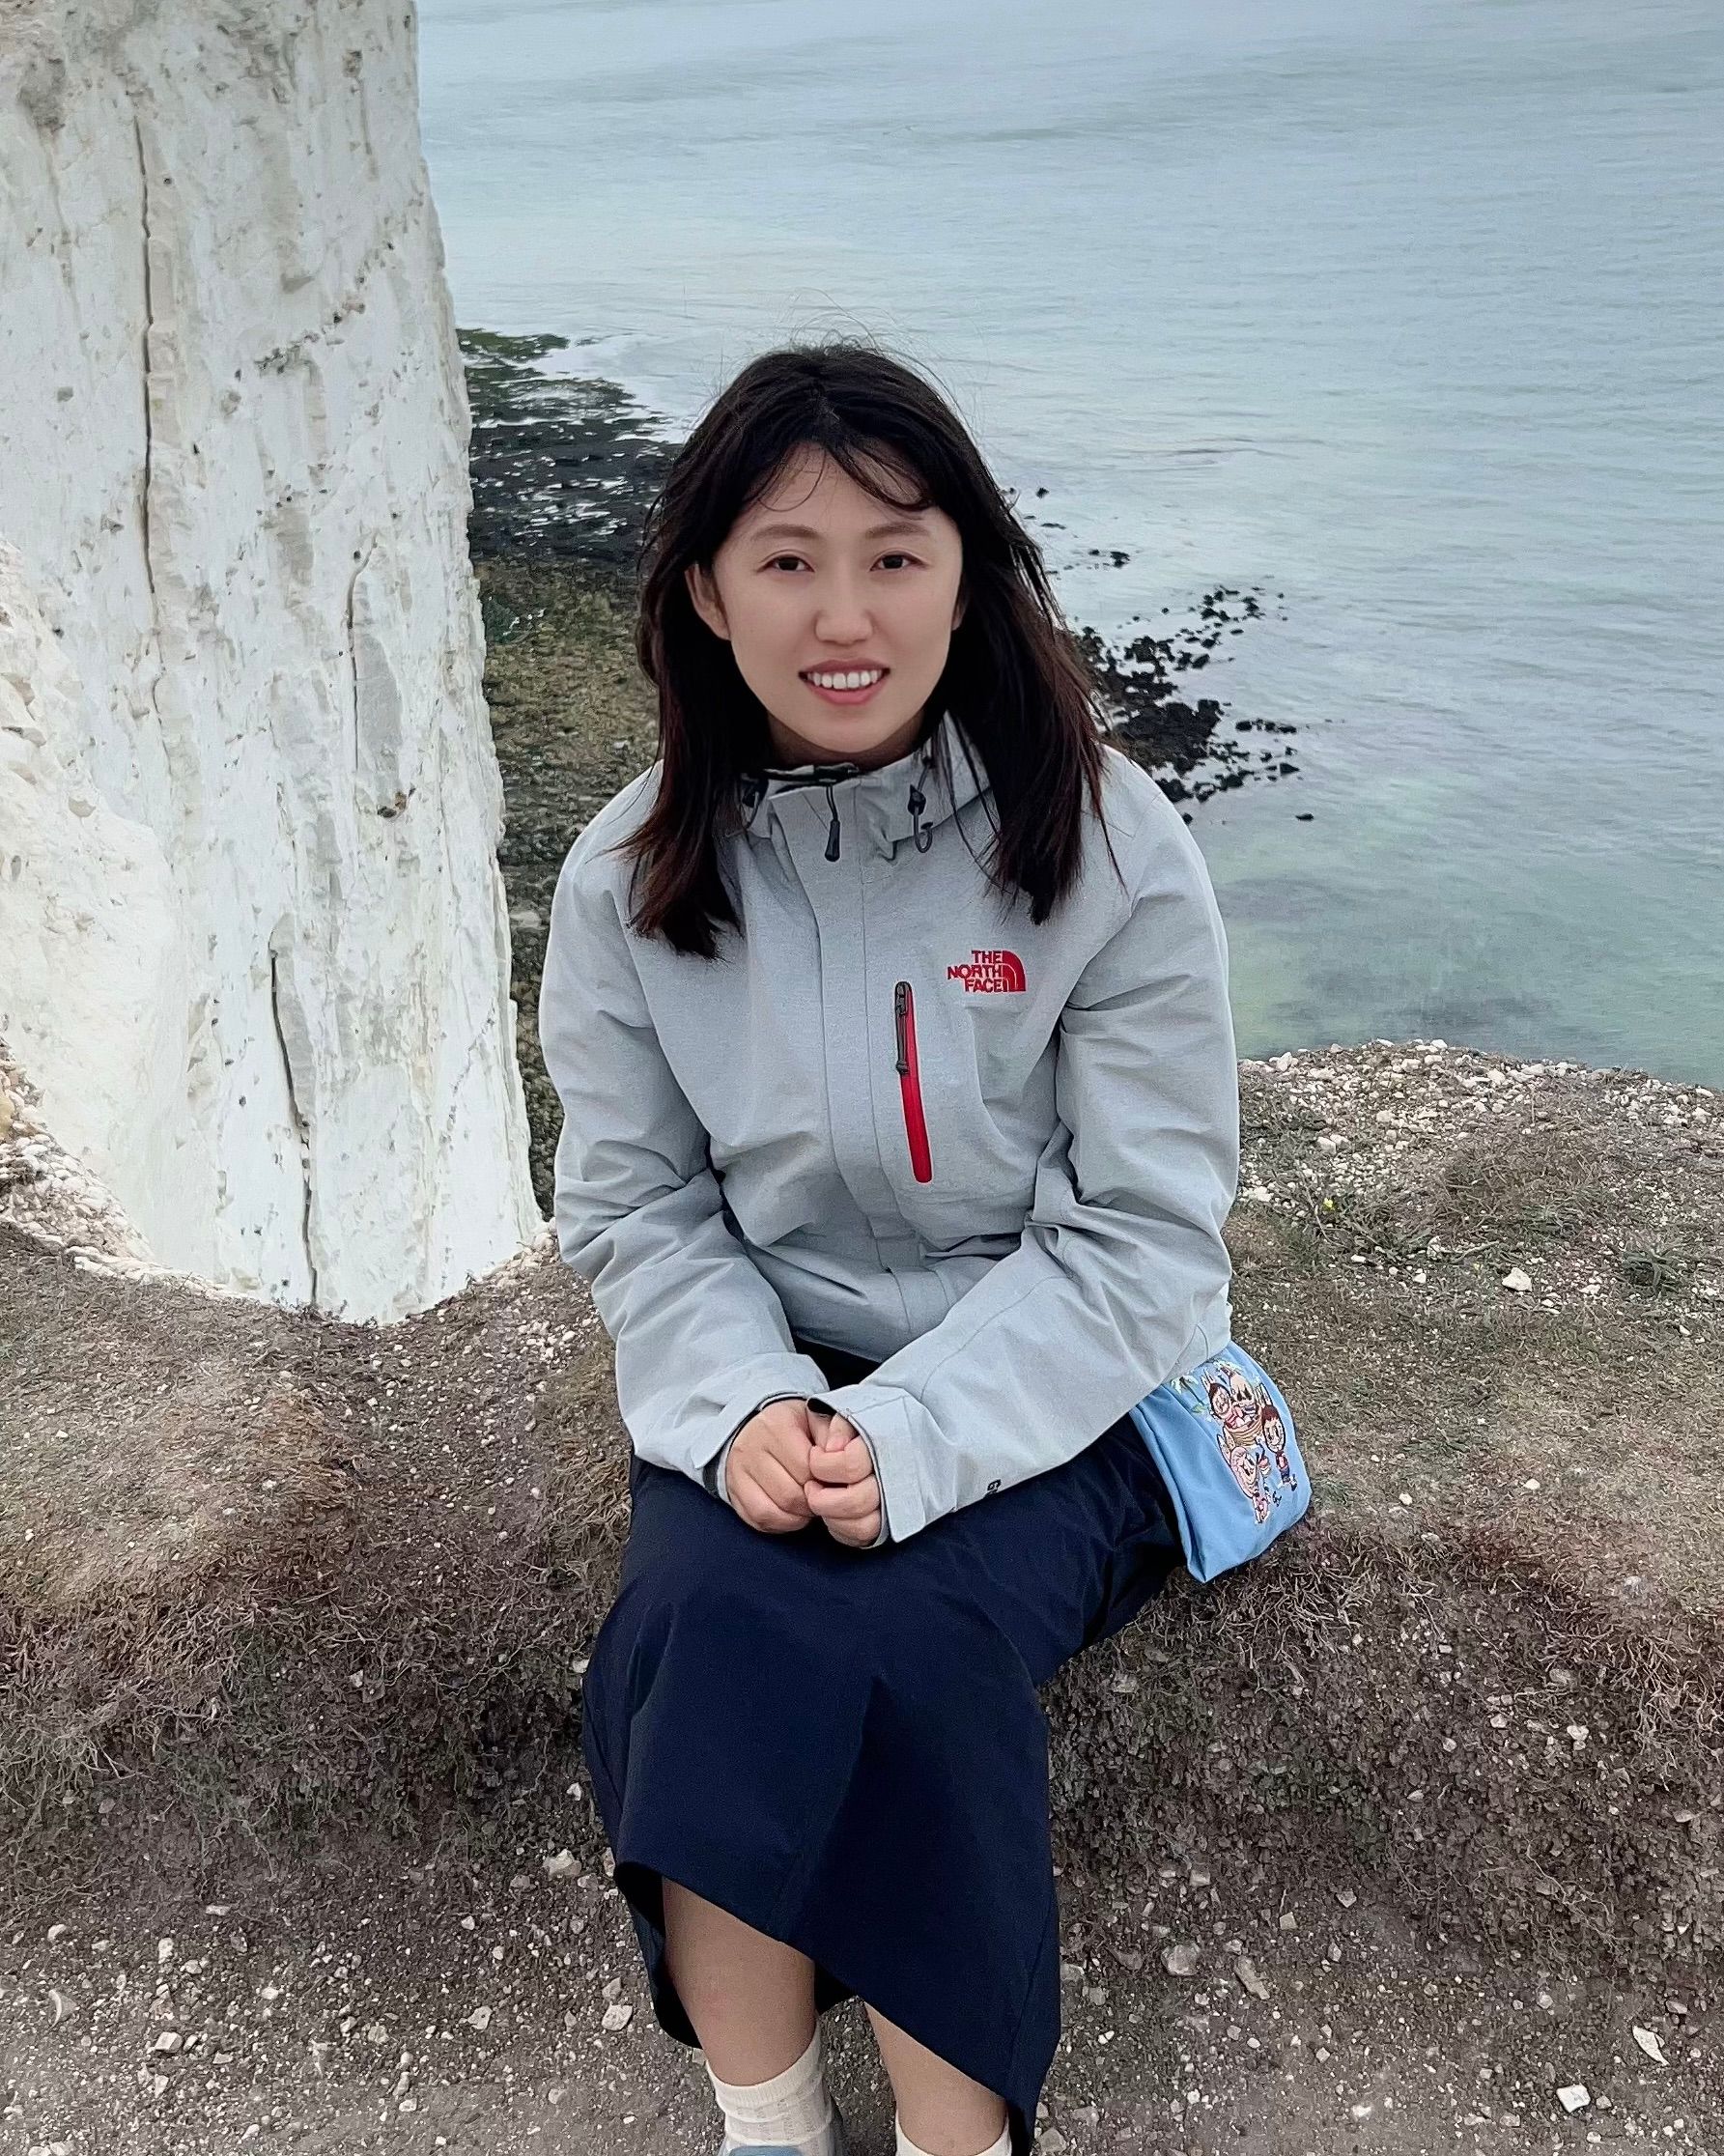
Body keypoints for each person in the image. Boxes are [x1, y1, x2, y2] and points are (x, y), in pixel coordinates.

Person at [537, 341, 1242, 2156]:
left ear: (967, 575)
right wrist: (737, 1406)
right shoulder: (625, 878)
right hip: (774, 1369)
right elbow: (634, 1206)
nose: (842, 615)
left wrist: (912, 1436)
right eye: (786, 560)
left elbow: (1144, 1235)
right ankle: (767, 2129)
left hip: (1066, 1389)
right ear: (706, 592)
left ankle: (956, 2143)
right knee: (701, 1618)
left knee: (912, 1640)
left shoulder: (1107, 845)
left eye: (895, 556)